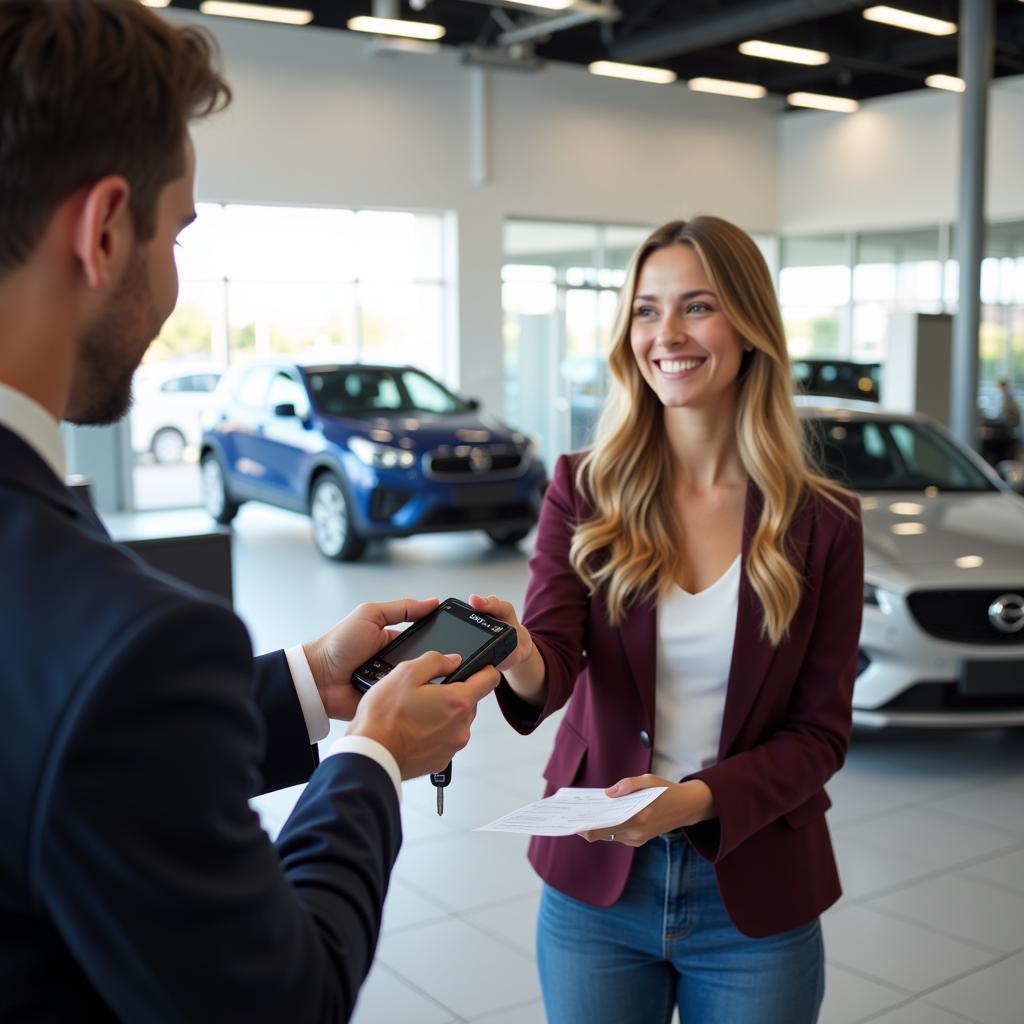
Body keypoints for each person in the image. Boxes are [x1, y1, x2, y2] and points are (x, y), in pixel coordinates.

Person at [0, 2, 497, 1020]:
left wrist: (313, 689)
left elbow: (68, 770)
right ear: (103, 230)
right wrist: (371, 758)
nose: (174, 275)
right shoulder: (126, 638)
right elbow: (281, 1001)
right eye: (176, 231)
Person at [471, 217, 864, 1023]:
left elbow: (820, 734)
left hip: (755, 893)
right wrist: (514, 652)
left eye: (697, 307)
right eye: (646, 310)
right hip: (596, 891)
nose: (666, 334)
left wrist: (692, 801)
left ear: (750, 327)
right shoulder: (584, 487)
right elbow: (553, 659)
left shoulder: (824, 521)